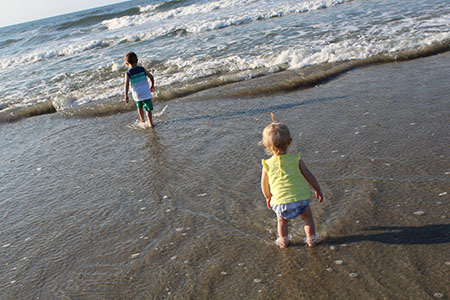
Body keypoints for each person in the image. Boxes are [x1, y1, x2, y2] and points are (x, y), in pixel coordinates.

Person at [260, 114, 323, 248]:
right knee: (307, 218)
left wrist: (268, 198)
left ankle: (283, 241)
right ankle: (311, 240)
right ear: (290, 141)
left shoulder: (267, 164)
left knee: (282, 221)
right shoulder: (296, 159)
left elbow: (264, 185)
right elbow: (310, 176)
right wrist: (318, 189)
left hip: (280, 202)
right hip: (301, 199)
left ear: (265, 145)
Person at [124, 51, 155, 128]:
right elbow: (151, 77)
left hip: (137, 94)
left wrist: (126, 95)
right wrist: (152, 86)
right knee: (148, 109)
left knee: (139, 107)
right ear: (137, 60)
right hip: (145, 92)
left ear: (127, 64)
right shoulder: (142, 69)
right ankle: (150, 123)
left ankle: (142, 120)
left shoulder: (128, 73)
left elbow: (126, 84)